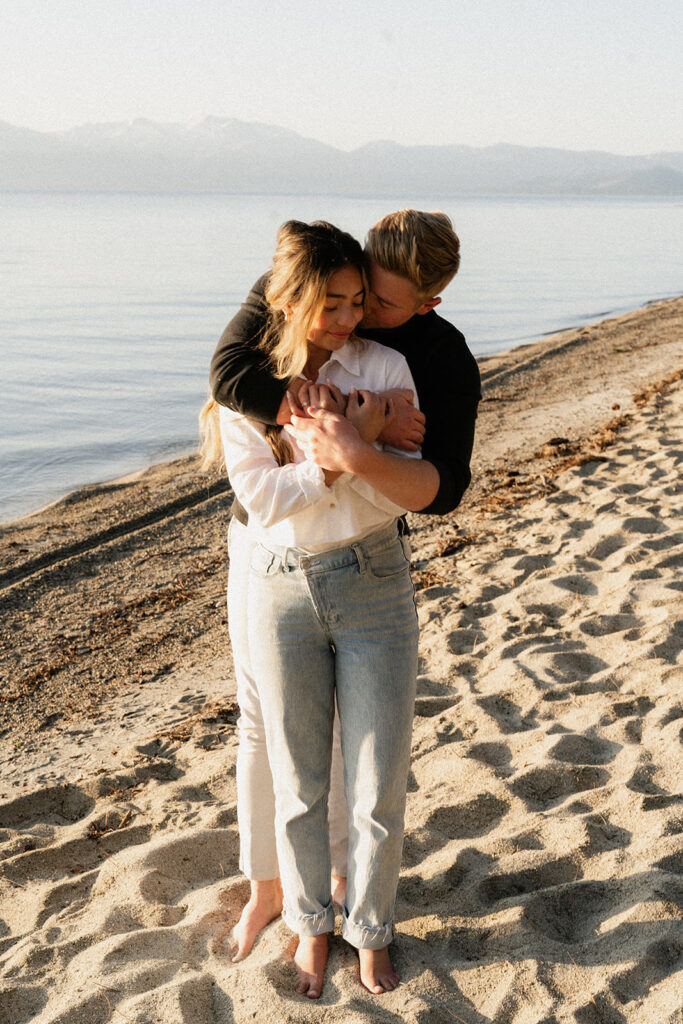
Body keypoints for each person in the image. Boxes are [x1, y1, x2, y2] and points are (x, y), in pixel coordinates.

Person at [208, 210, 481, 968]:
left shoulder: (427, 360)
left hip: (367, 566)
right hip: (268, 562)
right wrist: (326, 441)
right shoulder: (273, 334)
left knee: (368, 768)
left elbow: (430, 488)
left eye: (374, 304)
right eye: (347, 296)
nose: (360, 316)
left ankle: (359, 916)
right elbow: (230, 385)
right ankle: (278, 894)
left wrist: (357, 452)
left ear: (422, 306)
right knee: (270, 736)